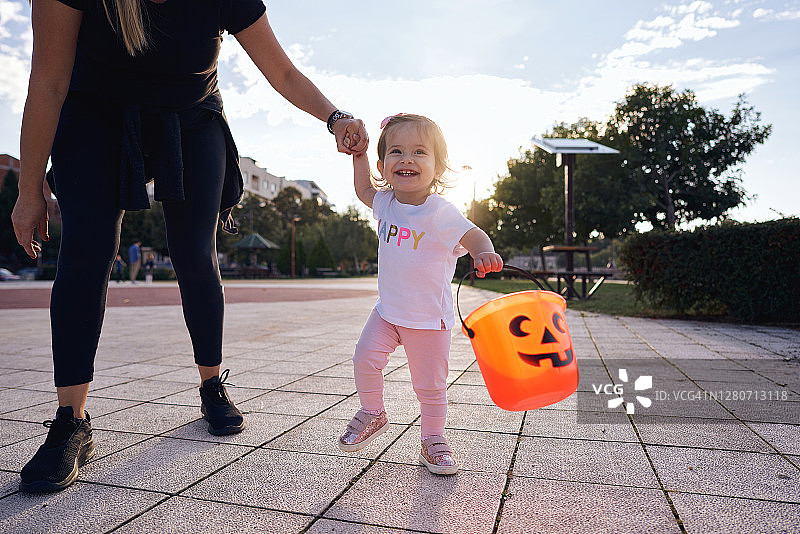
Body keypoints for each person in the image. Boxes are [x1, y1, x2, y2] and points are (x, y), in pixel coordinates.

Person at [10, 0, 367, 493]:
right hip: (96, 113)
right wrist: (30, 191)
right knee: (87, 252)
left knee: (195, 254)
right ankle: (71, 421)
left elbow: (282, 71)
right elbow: (48, 82)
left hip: (192, 116)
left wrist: (335, 116)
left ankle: (211, 383)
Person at [339, 114, 503, 475]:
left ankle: (432, 439)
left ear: (438, 167)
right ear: (384, 166)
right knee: (364, 358)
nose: (407, 159)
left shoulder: (440, 212)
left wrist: (483, 251)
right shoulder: (385, 203)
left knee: (429, 387)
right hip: (387, 313)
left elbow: (473, 234)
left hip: (430, 319)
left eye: (419, 152)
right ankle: (372, 411)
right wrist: (359, 157)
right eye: (396, 152)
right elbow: (364, 191)